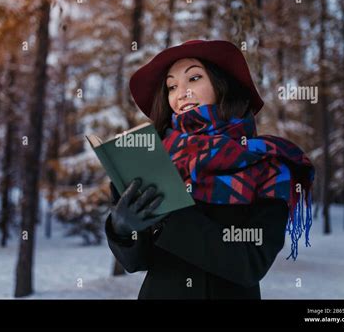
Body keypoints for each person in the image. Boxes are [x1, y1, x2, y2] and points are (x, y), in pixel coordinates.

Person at [104, 40, 315, 299]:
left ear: (221, 83)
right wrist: (123, 230)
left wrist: (168, 216)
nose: (181, 93)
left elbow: (249, 263)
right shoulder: (153, 159)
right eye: (171, 86)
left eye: (193, 78)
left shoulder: (268, 164)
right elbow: (138, 262)